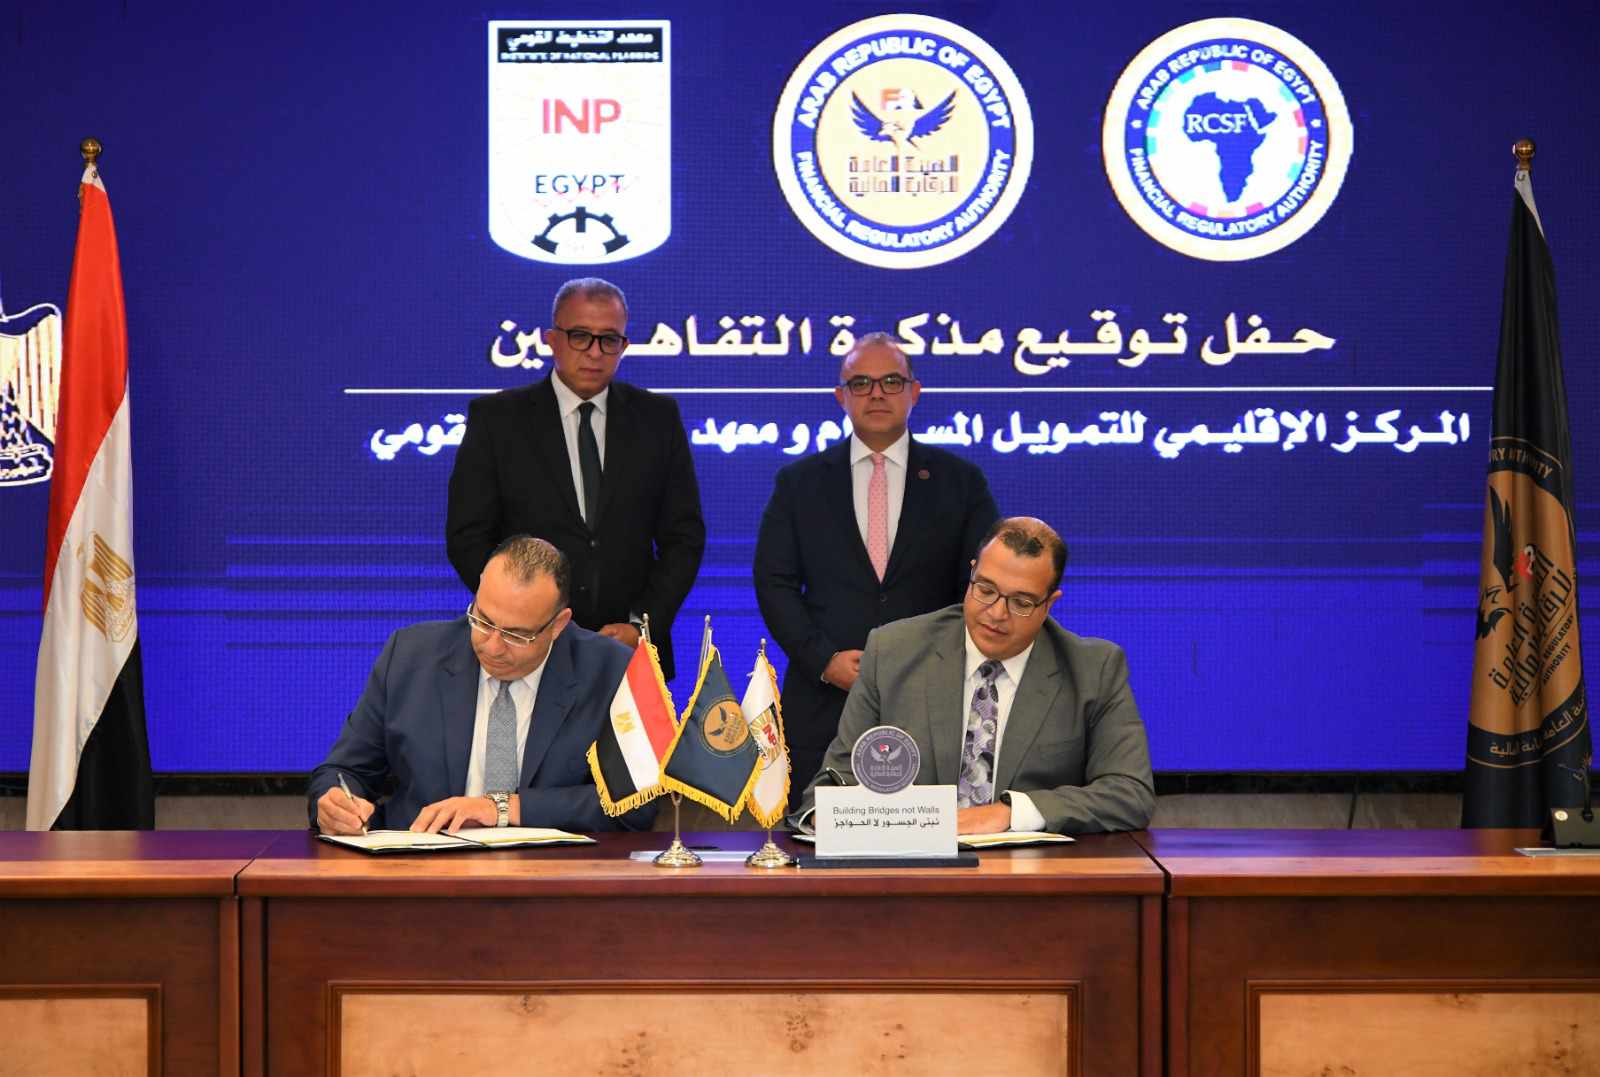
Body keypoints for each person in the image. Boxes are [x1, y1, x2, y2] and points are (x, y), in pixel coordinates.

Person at [754, 332, 997, 810]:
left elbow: (981, 584)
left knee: (931, 837)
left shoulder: (960, 482)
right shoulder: (800, 483)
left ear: (915, 392)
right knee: (818, 835)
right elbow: (774, 581)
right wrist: (824, 660)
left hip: (933, 695)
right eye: (861, 383)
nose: (877, 394)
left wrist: (934, 659)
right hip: (824, 700)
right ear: (840, 396)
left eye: (891, 381)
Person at [790, 517, 1155, 835]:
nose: (996, 613)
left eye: (1021, 602)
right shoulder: (893, 652)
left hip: (1033, 878)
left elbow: (1130, 794)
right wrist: (834, 817)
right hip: (912, 874)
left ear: (1050, 604)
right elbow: (831, 787)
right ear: (971, 574)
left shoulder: (1094, 669)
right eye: (985, 590)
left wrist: (1009, 814)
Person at [446, 277, 704, 679]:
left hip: (630, 655)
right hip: (527, 650)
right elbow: (468, 538)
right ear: (552, 339)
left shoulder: (658, 419)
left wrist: (641, 624)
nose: (595, 352)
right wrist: (525, 623)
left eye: (609, 340)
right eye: (580, 336)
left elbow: (683, 538)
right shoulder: (498, 420)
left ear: (624, 346)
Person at [309, 536, 655, 834]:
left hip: (550, 877)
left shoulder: (611, 671)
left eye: (516, 635)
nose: (492, 646)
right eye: (483, 621)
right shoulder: (411, 656)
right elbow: (344, 771)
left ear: (558, 625)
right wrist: (335, 804)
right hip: (424, 870)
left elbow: (636, 803)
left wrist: (502, 808)